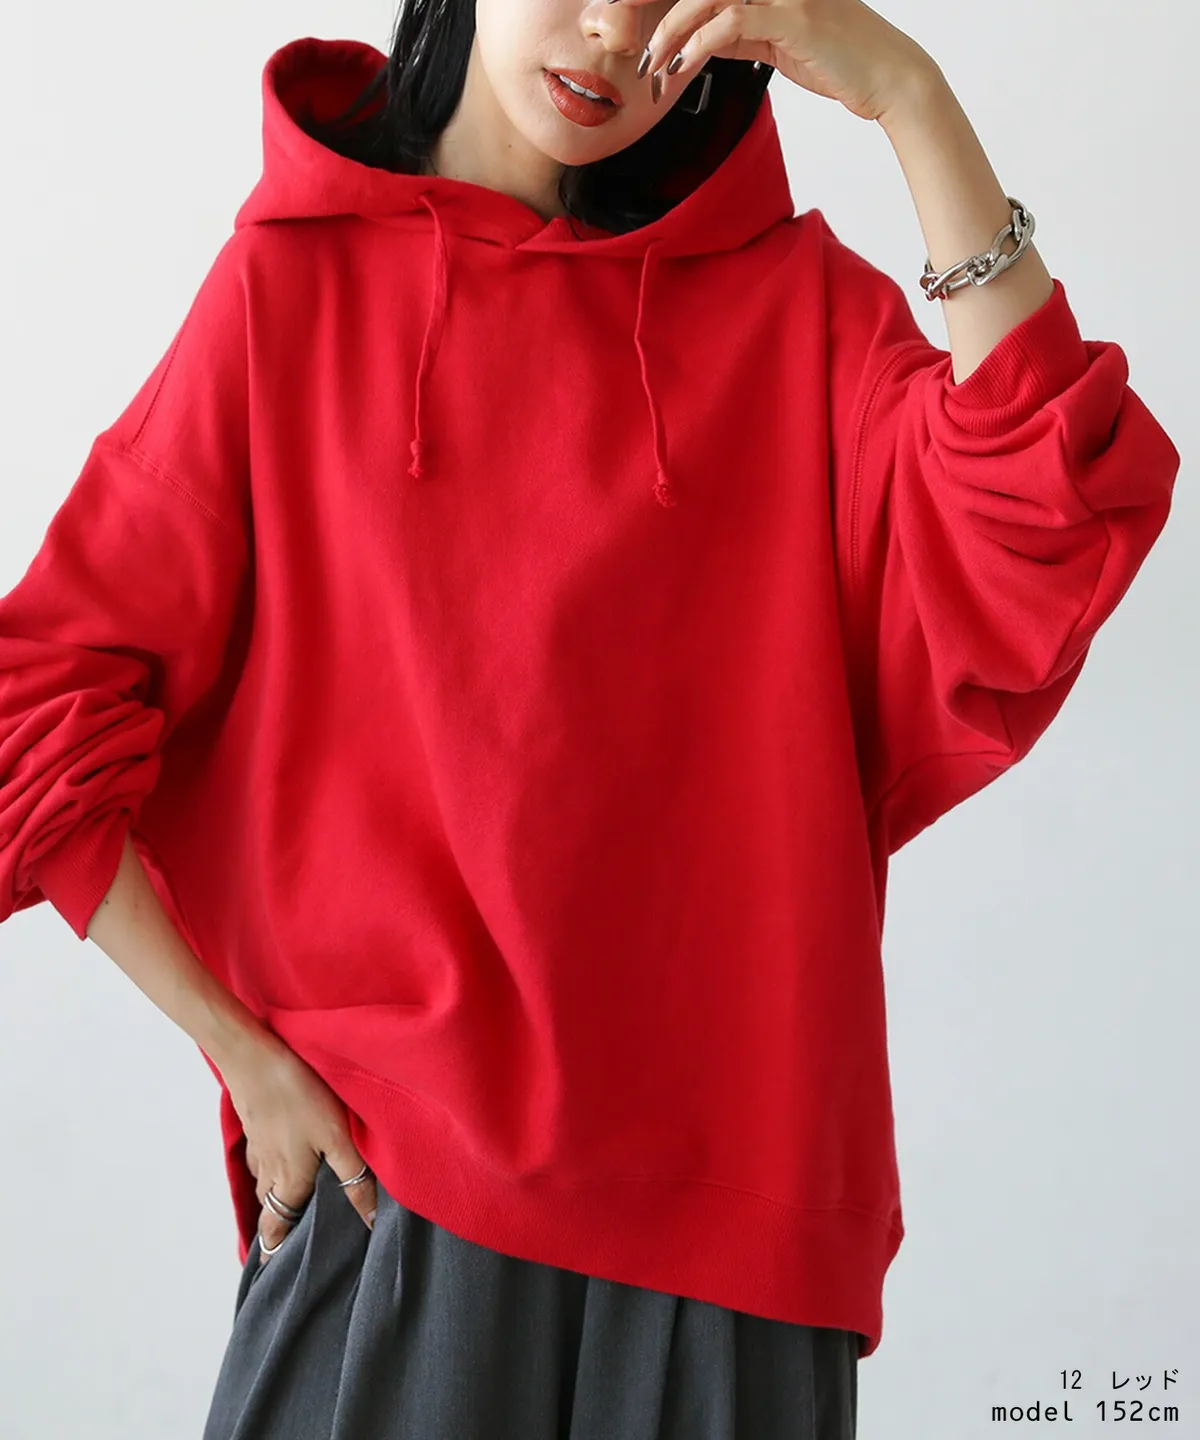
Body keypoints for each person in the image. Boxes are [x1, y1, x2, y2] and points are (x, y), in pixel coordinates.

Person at [0, 2, 1180, 1436]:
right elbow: (39, 690)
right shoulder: (286, 292)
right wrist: (246, 1061)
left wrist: (911, 96)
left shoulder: (796, 316)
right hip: (397, 1203)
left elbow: (1043, 501)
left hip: (736, 1251)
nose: (616, 29)